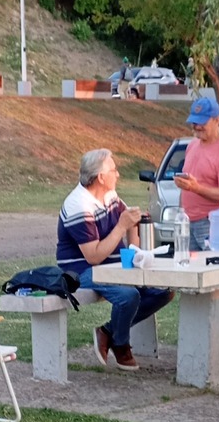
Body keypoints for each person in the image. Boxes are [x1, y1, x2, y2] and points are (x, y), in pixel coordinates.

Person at [56, 149, 174, 371]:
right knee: (128, 295)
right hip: (82, 272)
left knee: (163, 291)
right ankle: (121, 344)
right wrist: (121, 225)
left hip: (114, 267)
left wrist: (135, 248)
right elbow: (93, 256)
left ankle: (108, 332)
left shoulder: (110, 195)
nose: (118, 174)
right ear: (101, 177)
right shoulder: (78, 205)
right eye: (114, 169)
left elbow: (130, 224)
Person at [174, 96, 219, 251]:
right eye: (194, 122)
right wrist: (181, 212)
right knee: (188, 264)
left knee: (215, 264)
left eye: (202, 122)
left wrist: (195, 188)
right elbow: (187, 186)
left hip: (213, 224)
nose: (197, 127)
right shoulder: (192, 145)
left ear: (217, 120)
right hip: (188, 222)